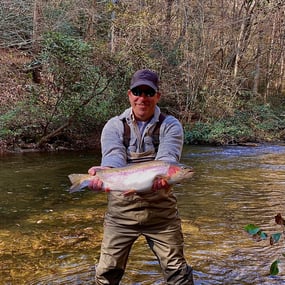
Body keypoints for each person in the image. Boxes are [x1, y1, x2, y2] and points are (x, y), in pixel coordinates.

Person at [88, 69, 194, 285]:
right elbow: (114, 156)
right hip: (121, 214)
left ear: (157, 96)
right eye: (138, 92)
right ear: (129, 94)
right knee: (106, 273)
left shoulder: (170, 125)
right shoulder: (114, 125)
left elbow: (167, 158)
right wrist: (105, 172)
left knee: (178, 274)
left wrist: (168, 175)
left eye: (148, 92)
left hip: (161, 215)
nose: (142, 98)